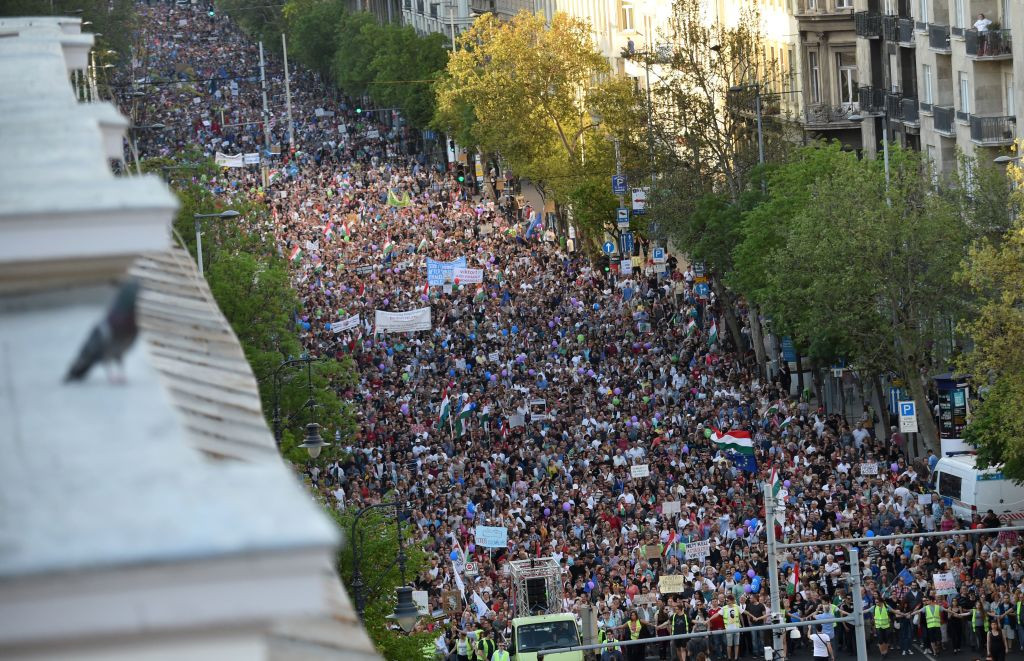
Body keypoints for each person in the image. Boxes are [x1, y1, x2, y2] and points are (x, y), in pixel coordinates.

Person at [721, 594, 743, 661]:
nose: (727, 601)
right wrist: (708, 620)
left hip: (736, 628)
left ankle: (736, 658)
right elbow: (717, 616)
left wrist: (743, 625)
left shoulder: (737, 607)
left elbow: (742, 614)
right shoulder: (724, 608)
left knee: (737, 644)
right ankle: (729, 657)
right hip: (728, 629)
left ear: (732, 600)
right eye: (726, 600)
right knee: (729, 645)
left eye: (728, 600)